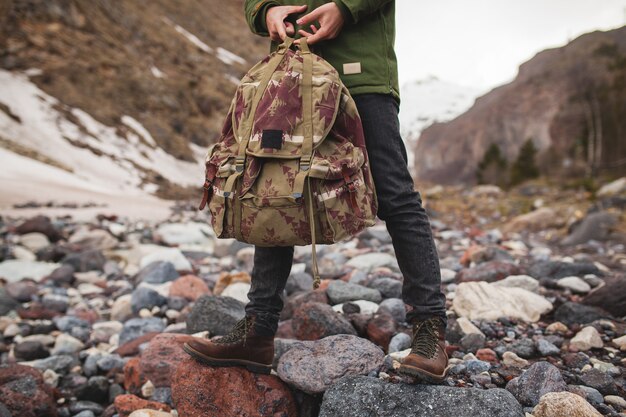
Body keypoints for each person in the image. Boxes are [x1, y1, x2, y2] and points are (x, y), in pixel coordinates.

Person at [184, 0, 449, 383]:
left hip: (362, 78)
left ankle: (431, 333)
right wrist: (266, 12)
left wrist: (345, 7)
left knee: (395, 195)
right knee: (273, 188)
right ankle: (257, 334)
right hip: (291, 74)